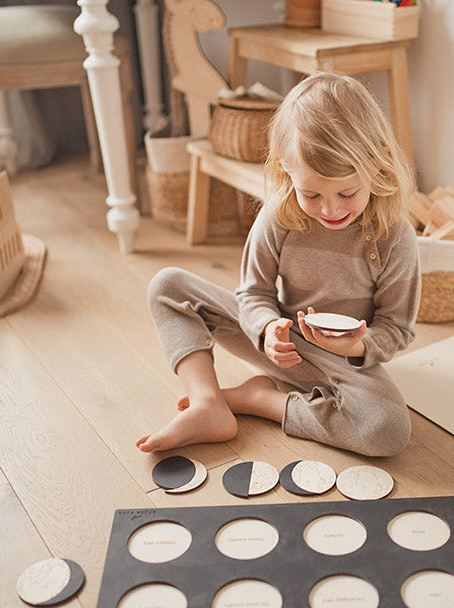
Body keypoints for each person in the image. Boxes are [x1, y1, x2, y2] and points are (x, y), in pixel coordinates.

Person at [136, 72, 421, 458]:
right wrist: (268, 328)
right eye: (311, 193)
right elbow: (253, 292)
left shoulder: (393, 235)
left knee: (386, 429)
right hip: (277, 343)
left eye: (347, 192)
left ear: (378, 163)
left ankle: (260, 401)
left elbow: (397, 327)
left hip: (342, 362)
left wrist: (356, 345)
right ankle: (207, 402)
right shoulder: (279, 217)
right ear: (286, 170)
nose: (330, 209)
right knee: (167, 286)